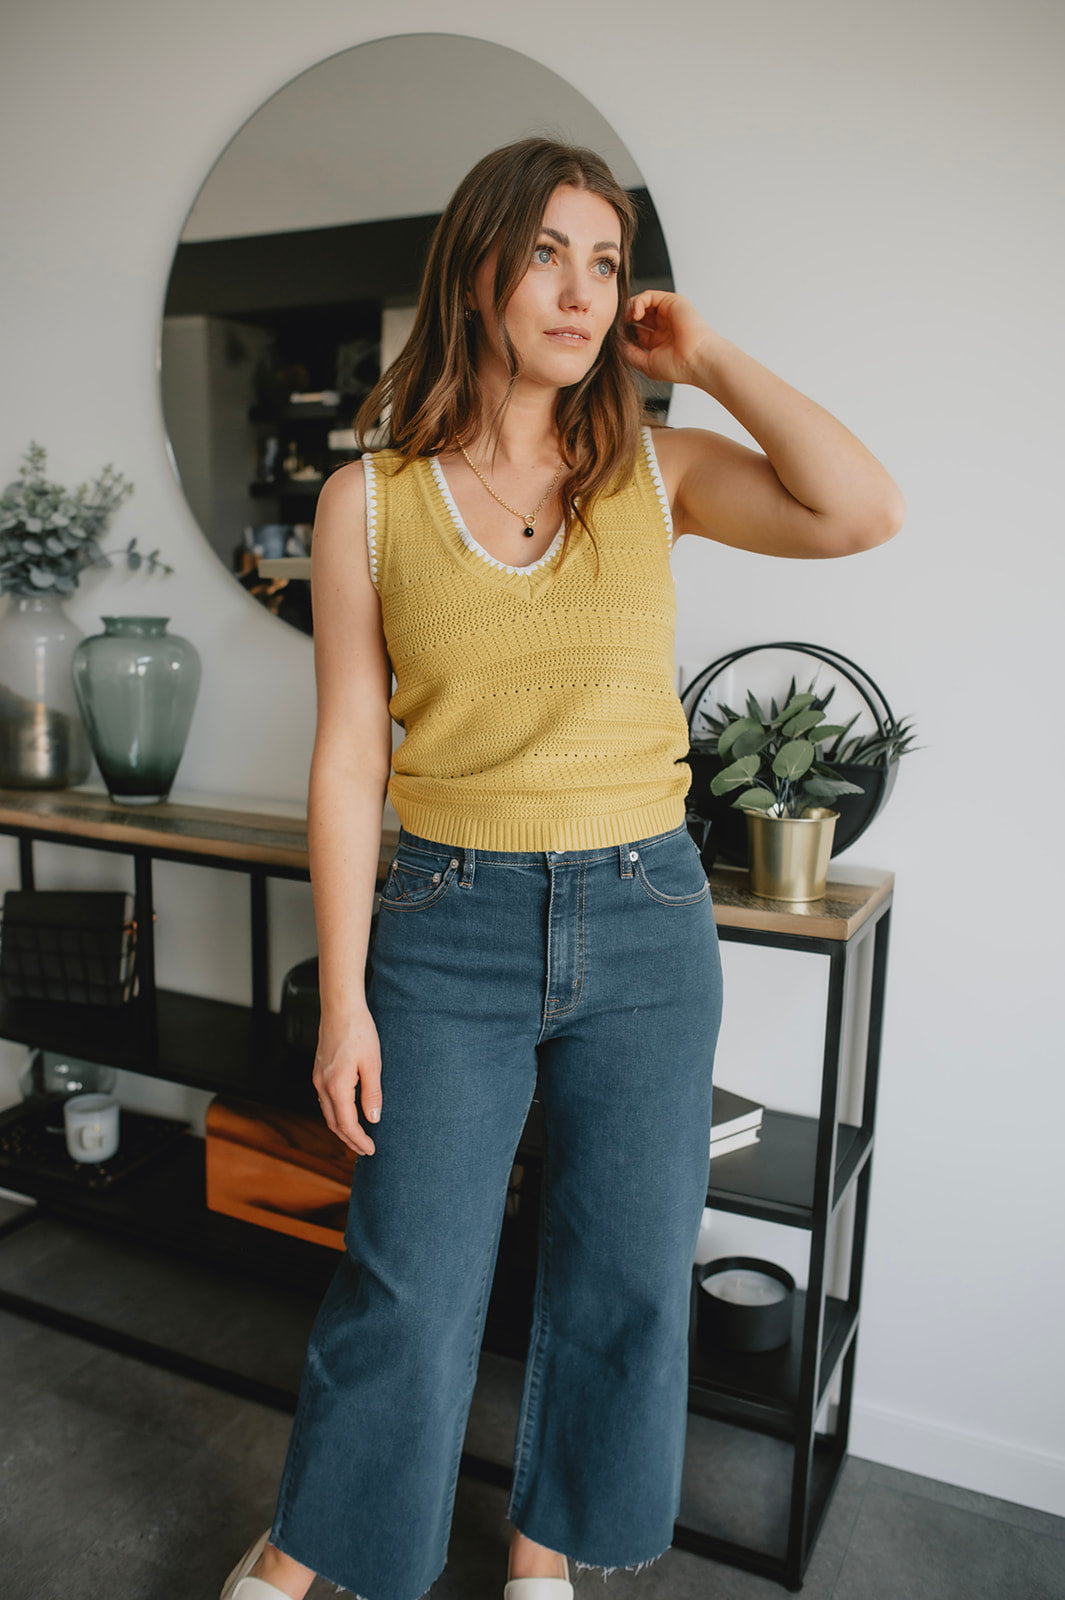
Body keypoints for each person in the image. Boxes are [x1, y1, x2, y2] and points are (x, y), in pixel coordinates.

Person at [220, 137, 904, 1600]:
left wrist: (703, 357)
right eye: (547, 255)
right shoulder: (369, 502)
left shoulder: (657, 469)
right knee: (407, 1277)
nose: (583, 291)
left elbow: (862, 509)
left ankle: (546, 1557)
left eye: (605, 262)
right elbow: (345, 762)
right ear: (476, 274)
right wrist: (342, 1002)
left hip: (646, 922)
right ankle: (312, 1547)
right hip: (446, 921)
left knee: (627, 1277)